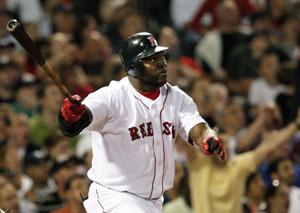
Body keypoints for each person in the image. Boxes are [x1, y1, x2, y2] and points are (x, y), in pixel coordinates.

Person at [58, 32, 225, 213]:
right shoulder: (112, 97)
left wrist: (208, 137)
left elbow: (195, 126)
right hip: (115, 197)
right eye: (151, 59)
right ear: (132, 66)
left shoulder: (176, 97)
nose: (161, 63)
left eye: (161, 56)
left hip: (153, 202)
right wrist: (71, 114)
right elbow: (73, 124)